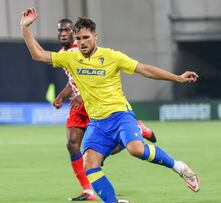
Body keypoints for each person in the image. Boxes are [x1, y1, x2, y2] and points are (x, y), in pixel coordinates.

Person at [21, 8, 200, 203]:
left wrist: (177, 78)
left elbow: (144, 70)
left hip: (120, 115)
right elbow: (38, 54)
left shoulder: (112, 56)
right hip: (98, 123)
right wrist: (24, 27)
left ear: (95, 37)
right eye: (79, 39)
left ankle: (179, 167)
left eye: (86, 38)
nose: (82, 43)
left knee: (136, 150)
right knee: (89, 164)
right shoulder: (71, 58)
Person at [53, 18, 157, 201]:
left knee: (102, 149)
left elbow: (92, 74)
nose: (63, 34)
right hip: (80, 104)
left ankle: (135, 130)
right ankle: (87, 190)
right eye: (60, 30)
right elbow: (73, 80)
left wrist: (82, 93)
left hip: (93, 100)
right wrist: (62, 96)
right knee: (72, 143)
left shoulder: (82, 48)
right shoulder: (63, 53)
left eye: (66, 30)